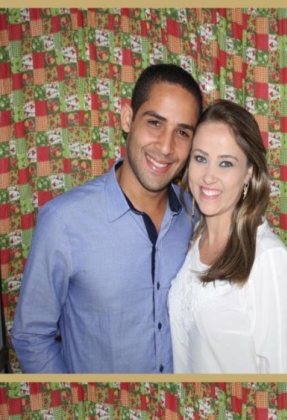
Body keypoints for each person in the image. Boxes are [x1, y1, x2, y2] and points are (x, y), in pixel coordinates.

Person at [12, 64, 202, 373]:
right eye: (155, 123)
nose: (166, 147)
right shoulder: (63, 222)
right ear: (128, 118)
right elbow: (31, 336)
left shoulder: (196, 214)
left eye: (182, 132)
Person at [168, 100, 287, 373]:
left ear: (249, 173)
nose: (209, 176)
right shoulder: (192, 236)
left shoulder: (268, 259)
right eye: (201, 158)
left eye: (226, 163)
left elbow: (282, 377)